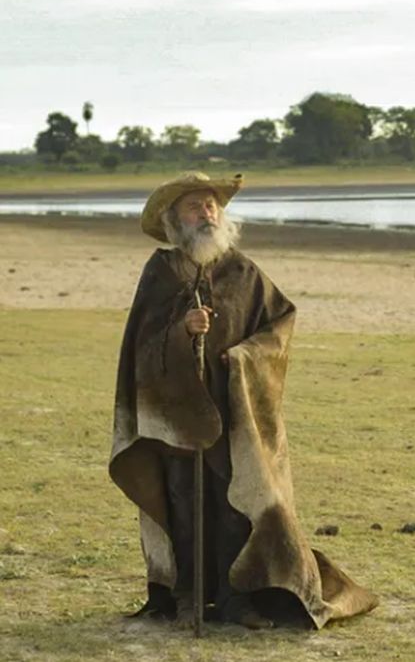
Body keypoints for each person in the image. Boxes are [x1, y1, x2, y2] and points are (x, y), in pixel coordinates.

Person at [109, 172, 377, 629]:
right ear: (175, 220)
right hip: (175, 417)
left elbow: (280, 323)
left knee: (236, 503)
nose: (207, 213)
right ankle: (189, 597)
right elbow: (141, 343)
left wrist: (243, 358)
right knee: (183, 501)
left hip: (236, 415)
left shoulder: (243, 272)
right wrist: (181, 331)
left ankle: (237, 599)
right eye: (195, 206)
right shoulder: (161, 271)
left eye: (212, 204)